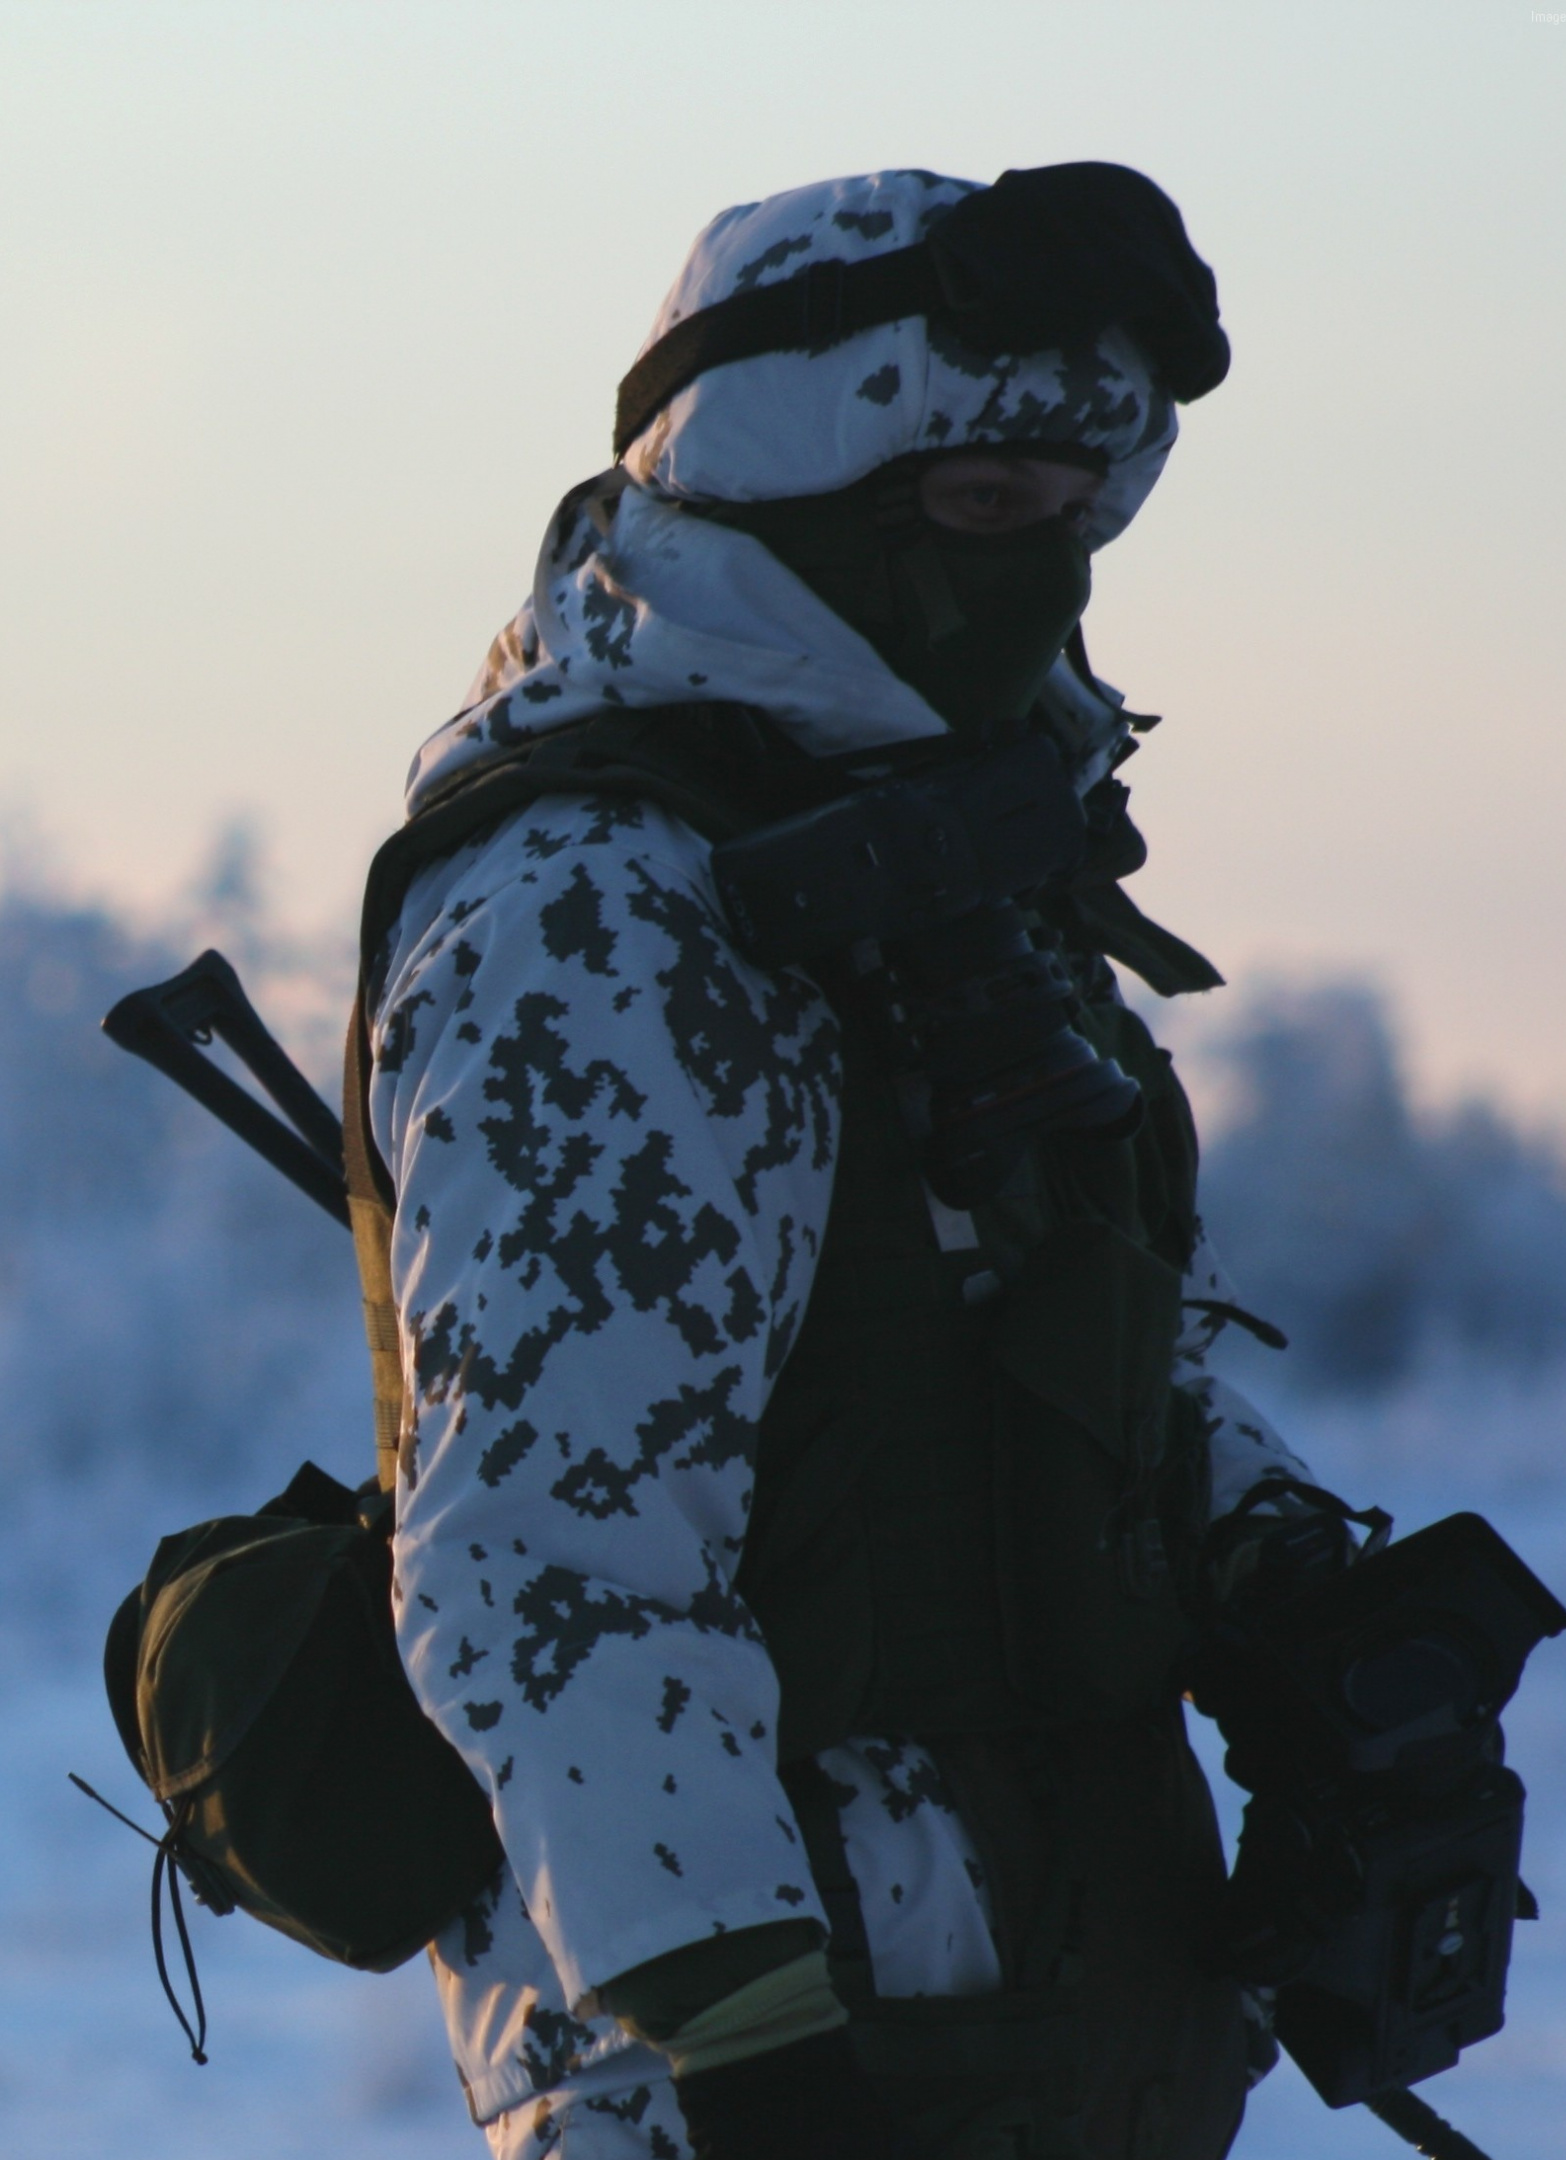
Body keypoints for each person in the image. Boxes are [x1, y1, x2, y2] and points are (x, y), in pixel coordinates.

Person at [361, 165, 1349, 2160]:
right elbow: (548, 1553)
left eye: (1084, 501)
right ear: (796, 486)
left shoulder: (955, 869)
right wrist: (753, 2040)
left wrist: (1310, 1597)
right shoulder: (598, 910)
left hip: (1055, 2028)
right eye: (989, 503)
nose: (1048, 559)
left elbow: (1058, 1339)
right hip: (759, 2075)